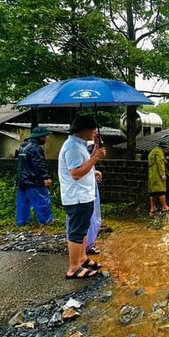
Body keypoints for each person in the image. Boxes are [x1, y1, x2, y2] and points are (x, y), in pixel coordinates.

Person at [58, 116, 106, 279]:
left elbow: (83, 166)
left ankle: (82, 259)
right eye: (93, 130)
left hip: (84, 195)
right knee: (77, 231)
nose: (94, 133)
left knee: (83, 228)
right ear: (84, 130)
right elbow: (76, 173)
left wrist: (94, 157)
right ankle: (74, 268)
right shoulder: (72, 147)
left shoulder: (79, 145)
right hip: (77, 196)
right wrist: (95, 158)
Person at [16, 126, 53, 227]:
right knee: (42, 201)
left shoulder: (23, 147)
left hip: (21, 180)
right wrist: (45, 177)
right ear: (41, 137)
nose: (47, 139)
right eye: (46, 137)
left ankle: (22, 222)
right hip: (34, 181)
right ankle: (46, 221)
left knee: (22, 203)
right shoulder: (35, 148)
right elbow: (39, 164)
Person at [85, 132, 103, 256]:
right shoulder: (75, 149)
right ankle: (86, 247)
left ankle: (88, 244)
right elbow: (77, 172)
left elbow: (88, 162)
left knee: (93, 217)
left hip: (90, 188)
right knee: (88, 220)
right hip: (83, 192)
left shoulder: (82, 150)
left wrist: (94, 171)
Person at [148, 140, 169, 216]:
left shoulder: (153, 151)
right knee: (161, 190)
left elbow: (155, 161)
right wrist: (162, 174)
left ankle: (153, 207)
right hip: (157, 173)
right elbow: (159, 163)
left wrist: (164, 160)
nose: (165, 150)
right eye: (165, 149)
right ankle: (164, 206)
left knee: (152, 191)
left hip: (151, 173)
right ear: (163, 148)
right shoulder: (159, 152)